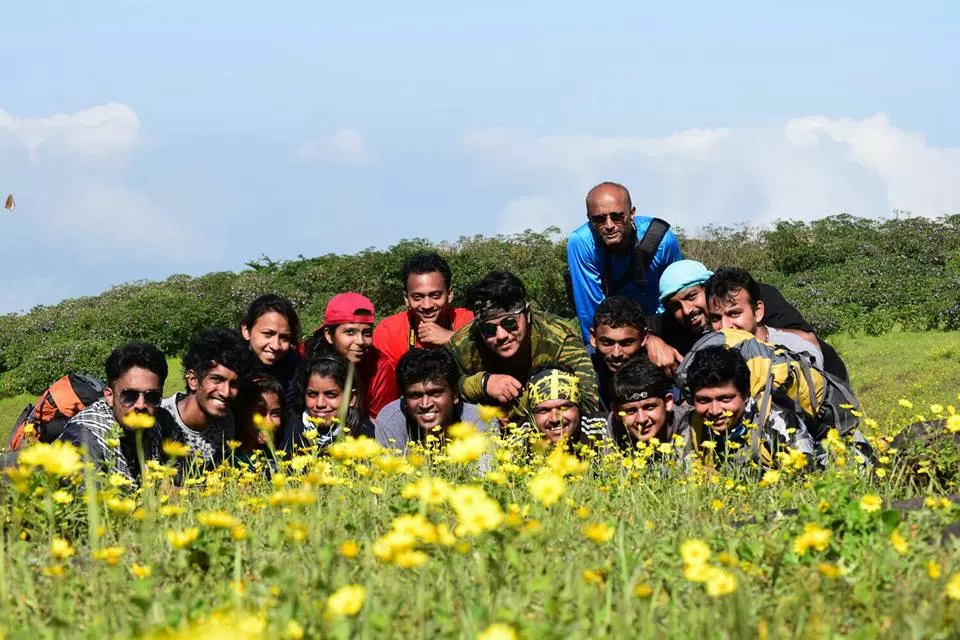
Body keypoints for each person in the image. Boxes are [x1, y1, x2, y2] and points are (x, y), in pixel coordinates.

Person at [653, 260, 849, 381]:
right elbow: (633, 323)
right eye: (675, 306)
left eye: (691, 296)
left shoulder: (757, 295)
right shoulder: (675, 321)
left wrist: (759, 345)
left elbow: (807, 339)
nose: (687, 310)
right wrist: (652, 341)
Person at [445, 271, 600, 418]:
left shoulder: (560, 337)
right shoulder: (462, 344)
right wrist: (481, 384)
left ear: (527, 314)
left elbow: (587, 401)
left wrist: (521, 408)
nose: (501, 336)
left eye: (510, 323)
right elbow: (439, 391)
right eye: (488, 329)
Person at [566, 181, 682, 345]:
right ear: (589, 219)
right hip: (613, 331)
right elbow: (590, 313)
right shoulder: (581, 243)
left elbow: (678, 297)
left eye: (617, 216)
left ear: (632, 213)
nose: (609, 225)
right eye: (599, 219)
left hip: (661, 323)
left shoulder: (662, 240)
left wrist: (655, 341)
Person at [678, 346, 821, 471]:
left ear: (746, 394)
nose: (715, 411)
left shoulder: (778, 423)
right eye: (704, 400)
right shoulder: (693, 428)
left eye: (725, 399)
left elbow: (808, 479)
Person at [58, 342, 178, 485]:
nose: (141, 405)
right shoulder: (85, 442)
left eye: (152, 397)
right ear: (109, 396)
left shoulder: (161, 421)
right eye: (129, 396)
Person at [160, 328, 253, 469]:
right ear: (193, 380)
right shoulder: (161, 417)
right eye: (216, 379)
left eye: (234, 383)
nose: (226, 392)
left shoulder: (226, 420)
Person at [303, 293, 399, 420]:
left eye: (367, 333)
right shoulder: (306, 356)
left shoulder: (379, 366)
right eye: (350, 332)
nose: (360, 341)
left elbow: (381, 422)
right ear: (329, 335)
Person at [375, 348, 494, 450]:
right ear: (404, 399)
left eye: (435, 393)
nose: (425, 404)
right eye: (415, 395)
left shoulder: (479, 419)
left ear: (455, 394)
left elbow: (484, 474)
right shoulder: (390, 421)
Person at [704, 267, 824, 368]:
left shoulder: (798, 351)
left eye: (734, 314)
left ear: (758, 311)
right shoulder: (709, 356)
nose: (725, 327)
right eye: (716, 318)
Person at [373, 253, 474, 366]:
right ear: (406, 298)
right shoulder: (388, 332)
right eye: (417, 297)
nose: (427, 305)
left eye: (435, 295)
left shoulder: (468, 320)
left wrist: (453, 339)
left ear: (449, 294)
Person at [282, 353, 373, 453]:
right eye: (312, 394)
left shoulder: (363, 435)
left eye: (330, 395)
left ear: (351, 398)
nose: (320, 404)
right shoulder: (293, 430)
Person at [516, 366, 609, 454]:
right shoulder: (521, 439)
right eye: (544, 410)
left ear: (579, 407)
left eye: (564, 408)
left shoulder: (603, 428)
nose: (555, 419)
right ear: (532, 416)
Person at [607, 357, 686, 451]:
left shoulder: (690, 424)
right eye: (631, 411)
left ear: (668, 402)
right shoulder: (614, 424)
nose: (641, 419)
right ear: (616, 412)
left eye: (649, 407)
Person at [589, 296, 648, 408]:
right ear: (593, 337)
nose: (616, 353)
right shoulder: (580, 367)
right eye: (607, 342)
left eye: (626, 343)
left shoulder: (659, 363)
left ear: (644, 338)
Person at [239, 294, 303, 392]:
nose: (276, 346)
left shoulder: (296, 372)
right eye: (268, 334)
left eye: (284, 337)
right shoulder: (229, 367)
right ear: (246, 331)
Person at [232, 375, 285, 459]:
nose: (268, 422)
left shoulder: (280, 457)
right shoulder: (224, 459)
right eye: (260, 412)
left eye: (275, 413)